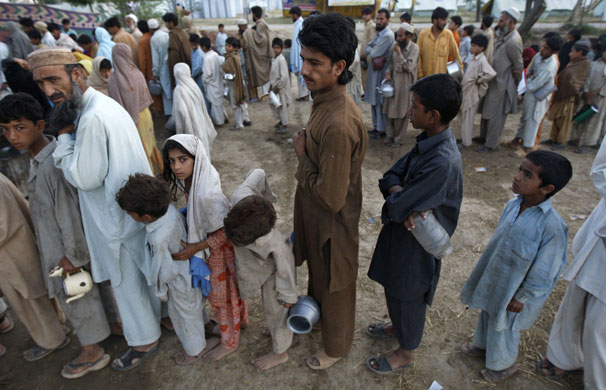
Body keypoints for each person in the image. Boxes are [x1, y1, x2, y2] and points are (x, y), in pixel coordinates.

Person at [29, 47, 162, 372]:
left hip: (113, 219)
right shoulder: (103, 106)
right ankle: (153, 327)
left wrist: (62, 141)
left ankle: (144, 341)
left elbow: (84, 177)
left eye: (53, 80)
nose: (48, 91)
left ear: (76, 74)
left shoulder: (90, 118)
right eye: (41, 84)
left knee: (127, 284)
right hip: (126, 213)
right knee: (137, 278)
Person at [0, 93, 112, 378]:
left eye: (19, 127)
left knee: (77, 298)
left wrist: (72, 256)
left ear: (40, 124)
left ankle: (93, 351)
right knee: (77, 297)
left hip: (67, 252)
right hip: (58, 247)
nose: (12, 135)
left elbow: (68, 214)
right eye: (5, 129)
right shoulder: (39, 157)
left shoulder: (51, 166)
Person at [366, 73, 463, 375]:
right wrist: (401, 195)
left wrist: (400, 199)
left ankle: (406, 351)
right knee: (394, 285)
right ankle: (398, 326)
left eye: (415, 106)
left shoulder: (443, 160)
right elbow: (389, 177)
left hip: (418, 243)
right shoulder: (427, 143)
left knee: (409, 292)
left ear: (433, 116)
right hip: (404, 234)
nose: (410, 111)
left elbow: (396, 208)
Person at [292, 12, 367, 370]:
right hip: (317, 219)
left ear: (339, 66)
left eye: (314, 63)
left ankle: (336, 347)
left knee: (336, 285)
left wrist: (302, 159)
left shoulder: (339, 121)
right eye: (303, 59)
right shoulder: (324, 100)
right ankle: (317, 318)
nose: (304, 70)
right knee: (319, 277)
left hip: (333, 224)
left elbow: (332, 197)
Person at [461, 150, 571, 383]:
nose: (518, 177)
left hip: (517, 293)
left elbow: (546, 269)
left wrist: (523, 296)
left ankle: (503, 365)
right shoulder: (513, 205)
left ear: (547, 189)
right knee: (489, 312)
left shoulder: (551, 226)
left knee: (505, 326)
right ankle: (482, 346)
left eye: (528, 175)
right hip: (498, 276)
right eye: (520, 169)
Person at [163, 134, 248, 361]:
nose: (176, 167)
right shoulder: (195, 180)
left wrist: (196, 247)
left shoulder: (207, 194)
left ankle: (230, 342)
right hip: (213, 250)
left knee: (221, 299)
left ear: (196, 159)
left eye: (183, 160)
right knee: (230, 294)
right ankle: (242, 322)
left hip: (219, 252)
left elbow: (225, 231)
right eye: (172, 161)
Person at [116, 174, 213, 366]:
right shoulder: (168, 210)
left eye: (130, 213)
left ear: (146, 217)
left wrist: (161, 291)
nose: (129, 215)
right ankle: (206, 328)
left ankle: (195, 350)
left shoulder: (157, 238)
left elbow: (164, 270)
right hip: (189, 272)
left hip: (178, 281)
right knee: (193, 309)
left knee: (184, 316)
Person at [537, 139, 606, 390]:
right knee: (580, 295)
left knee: (600, 324)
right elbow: (601, 170)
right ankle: (567, 357)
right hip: (601, 238)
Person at [224, 172, 297, 371]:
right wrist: (267, 196)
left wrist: (287, 294)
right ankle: (275, 331)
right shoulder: (241, 196)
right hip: (252, 266)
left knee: (276, 311)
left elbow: (286, 269)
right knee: (270, 312)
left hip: (273, 274)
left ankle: (280, 352)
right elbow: (257, 173)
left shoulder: (275, 243)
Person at [0, 172, 69, 363]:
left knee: (29, 298)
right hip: (17, 245)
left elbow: (3, 226)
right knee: (36, 292)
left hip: (10, 252)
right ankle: (58, 328)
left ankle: (52, 340)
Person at [108, 43, 163, 173]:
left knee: (139, 150)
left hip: (127, 119)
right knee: (150, 143)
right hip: (145, 115)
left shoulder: (114, 80)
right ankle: (160, 168)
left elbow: (115, 104)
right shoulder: (137, 73)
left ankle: (150, 176)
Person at [477, 7, 523, 152]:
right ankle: (483, 137)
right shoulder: (502, 36)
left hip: (502, 84)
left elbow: (518, 66)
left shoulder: (514, 41)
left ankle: (490, 144)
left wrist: (511, 84)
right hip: (493, 81)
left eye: (502, 20)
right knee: (487, 110)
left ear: (511, 22)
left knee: (496, 116)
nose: (499, 23)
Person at [512, 36, 561, 153]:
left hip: (539, 96)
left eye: (546, 48)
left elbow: (533, 85)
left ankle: (527, 146)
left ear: (553, 52)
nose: (542, 50)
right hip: (530, 94)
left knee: (533, 120)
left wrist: (530, 79)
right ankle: (517, 139)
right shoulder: (538, 56)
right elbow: (529, 72)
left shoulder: (550, 66)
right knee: (525, 117)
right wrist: (531, 77)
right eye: (543, 46)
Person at [545, 39, 591, 149]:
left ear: (580, 52)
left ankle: (561, 141)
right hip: (561, 93)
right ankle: (553, 138)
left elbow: (577, 81)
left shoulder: (585, 63)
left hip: (569, 96)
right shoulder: (574, 62)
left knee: (564, 119)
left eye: (573, 51)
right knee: (556, 118)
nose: (570, 54)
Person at [453, 34, 496, 148]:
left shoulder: (482, 60)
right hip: (466, 91)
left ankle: (466, 142)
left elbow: (491, 73)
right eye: (471, 45)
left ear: (481, 48)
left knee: (468, 118)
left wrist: (479, 79)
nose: (471, 48)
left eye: (474, 46)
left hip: (472, 93)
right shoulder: (473, 58)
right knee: (462, 117)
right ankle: (462, 138)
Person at [383, 22, 418, 147]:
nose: (398, 39)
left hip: (405, 85)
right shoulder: (396, 46)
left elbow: (408, 67)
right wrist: (388, 72)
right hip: (393, 83)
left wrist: (399, 54)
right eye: (397, 36)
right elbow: (391, 64)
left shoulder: (414, 49)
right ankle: (390, 135)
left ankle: (398, 139)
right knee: (390, 110)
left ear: (409, 36)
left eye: (401, 36)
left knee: (402, 112)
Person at [173, 62, 216, 155]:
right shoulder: (193, 85)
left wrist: (179, 134)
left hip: (189, 127)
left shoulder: (179, 91)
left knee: (193, 152)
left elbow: (179, 114)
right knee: (202, 147)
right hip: (201, 122)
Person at [365, 8, 395, 139]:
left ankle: (381, 129)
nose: (378, 21)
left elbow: (372, 52)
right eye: (377, 18)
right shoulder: (379, 34)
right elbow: (367, 48)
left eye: (381, 19)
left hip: (382, 73)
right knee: (374, 100)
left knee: (379, 101)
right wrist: (371, 49)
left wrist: (371, 49)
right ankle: (376, 126)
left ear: (388, 20)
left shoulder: (388, 35)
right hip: (374, 71)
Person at [571, 50, 606, 153]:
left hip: (602, 97)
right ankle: (575, 138)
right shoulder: (594, 64)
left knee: (595, 121)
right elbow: (587, 79)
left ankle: (588, 143)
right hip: (586, 95)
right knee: (581, 116)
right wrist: (587, 93)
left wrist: (598, 91)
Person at [416, 7, 462, 79]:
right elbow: (417, 56)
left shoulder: (448, 35)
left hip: (442, 81)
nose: (445, 23)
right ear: (435, 21)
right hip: (425, 80)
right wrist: (420, 75)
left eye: (446, 20)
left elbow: (456, 57)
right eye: (443, 20)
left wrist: (459, 75)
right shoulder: (423, 34)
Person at [243, 6, 273, 97]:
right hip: (264, 54)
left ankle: (266, 94)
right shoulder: (260, 24)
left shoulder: (261, 24)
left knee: (264, 73)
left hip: (263, 54)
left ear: (254, 14)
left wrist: (249, 33)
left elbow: (261, 40)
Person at [222, 37, 251, 131]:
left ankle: (239, 124)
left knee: (235, 104)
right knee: (242, 102)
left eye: (229, 46)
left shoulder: (231, 58)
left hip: (234, 84)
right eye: (226, 45)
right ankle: (246, 119)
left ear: (234, 48)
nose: (226, 47)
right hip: (239, 82)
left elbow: (229, 72)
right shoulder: (236, 56)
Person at [201, 37, 227, 126]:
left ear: (204, 47)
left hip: (211, 83)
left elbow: (207, 74)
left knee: (216, 105)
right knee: (219, 103)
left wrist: (204, 80)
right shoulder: (215, 55)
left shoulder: (207, 58)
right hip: (218, 81)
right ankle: (224, 117)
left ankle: (220, 121)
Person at [150, 18, 172, 116]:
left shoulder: (154, 39)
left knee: (166, 93)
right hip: (170, 65)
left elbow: (156, 58)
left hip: (162, 68)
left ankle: (170, 115)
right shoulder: (166, 35)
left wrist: (155, 73)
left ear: (150, 30)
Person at [162, 13, 191, 89]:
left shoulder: (173, 34)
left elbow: (174, 55)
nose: (165, 25)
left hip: (179, 70)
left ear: (171, 23)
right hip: (187, 67)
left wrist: (174, 71)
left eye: (166, 23)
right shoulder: (182, 32)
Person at [269, 37, 292, 133]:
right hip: (274, 87)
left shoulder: (281, 60)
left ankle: (285, 125)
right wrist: (271, 86)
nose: (276, 50)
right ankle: (281, 121)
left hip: (281, 88)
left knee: (282, 107)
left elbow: (284, 77)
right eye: (274, 47)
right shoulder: (274, 59)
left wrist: (278, 88)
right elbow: (272, 74)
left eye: (278, 48)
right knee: (273, 104)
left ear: (282, 48)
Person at [289, 6, 309, 101]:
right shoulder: (297, 24)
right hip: (299, 54)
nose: (291, 17)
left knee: (303, 74)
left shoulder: (300, 24)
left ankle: (304, 95)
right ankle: (302, 94)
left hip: (301, 55)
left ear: (295, 15)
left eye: (292, 15)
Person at [237, 19, 258, 101]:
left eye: (246, 26)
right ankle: (249, 96)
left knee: (252, 77)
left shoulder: (250, 33)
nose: (245, 28)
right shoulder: (238, 36)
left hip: (250, 58)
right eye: (243, 26)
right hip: (243, 58)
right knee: (246, 78)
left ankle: (254, 95)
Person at [189, 34, 211, 112]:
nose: (193, 46)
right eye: (192, 45)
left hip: (200, 75)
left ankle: (208, 113)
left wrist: (191, 75)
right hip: (196, 76)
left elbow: (198, 67)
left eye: (195, 45)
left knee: (204, 96)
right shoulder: (193, 51)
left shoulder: (200, 53)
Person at [360, 7, 376, 92]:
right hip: (363, 56)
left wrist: (366, 55)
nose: (364, 16)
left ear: (370, 15)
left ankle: (368, 93)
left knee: (367, 76)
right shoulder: (366, 25)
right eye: (363, 14)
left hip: (368, 56)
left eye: (366, 14)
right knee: (363, 76)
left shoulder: (372, 26)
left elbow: (372, 42)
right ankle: (366, 92)